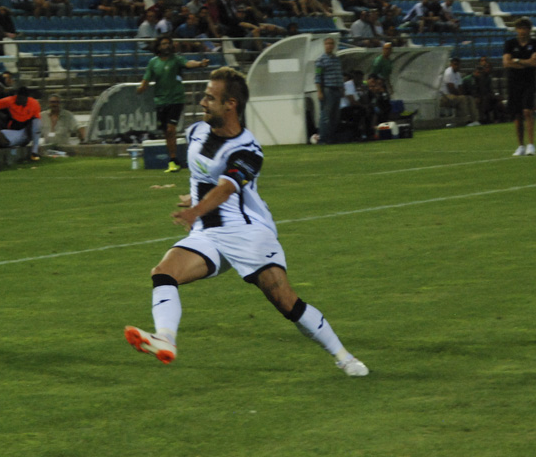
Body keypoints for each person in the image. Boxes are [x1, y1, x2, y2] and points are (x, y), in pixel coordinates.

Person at [124, 66, 369, 377]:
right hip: (207, 234)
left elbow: (227, 187)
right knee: (163, 272)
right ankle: (165, 340)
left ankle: (344, 357)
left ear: (231, 105)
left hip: (247, 233)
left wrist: (194, 210)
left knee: (285, 302)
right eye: (203, 96)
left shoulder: (248, 149)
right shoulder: (197, 132)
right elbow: (203, 178)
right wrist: (193, 199)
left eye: (210, 98)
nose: (202, 102)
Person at [137, 36, 209, 172]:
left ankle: (174, 159)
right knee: (166, 132)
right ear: (158, 47)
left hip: (176, 99)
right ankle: (173, 159)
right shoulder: (153, 63)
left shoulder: (176, 59)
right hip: (160, 101)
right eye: (163, 44)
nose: (166, 46)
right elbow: (146, 79)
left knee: (171, 128)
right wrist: (141, 88)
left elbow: (188, 63)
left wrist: (199, 64)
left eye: (168, 43)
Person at [503, 18, 536, 156]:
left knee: (527, 111)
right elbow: (506, 63)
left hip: (528, 82)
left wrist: (517, 60)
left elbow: (534, 63)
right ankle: (520, 145)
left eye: (525, 28)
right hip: (513, 82)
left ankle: (531, 144)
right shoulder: (510, 44)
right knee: (517, 115)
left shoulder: (535, 44)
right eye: (520, 28)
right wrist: (526, 62)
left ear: (529, 30)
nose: (522, 31)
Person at [0, 85, 42, 161]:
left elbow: (36, 123)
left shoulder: (34, 103)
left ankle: (34, 152)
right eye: (18, 98)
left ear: (26, 98)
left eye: (21, 99)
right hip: (15, 131)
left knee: (37, 122)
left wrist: (30, 133)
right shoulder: (10, 101)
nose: (19, 100)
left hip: (28, 131)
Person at [314, 37, 344, 144]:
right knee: (326, 116)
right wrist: (319, 91)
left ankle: (331, 138)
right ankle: (323, 138)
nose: (329, 46)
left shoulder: (336, 59)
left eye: (331, 44)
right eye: (327, 44)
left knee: (335, 116)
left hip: (337, 89)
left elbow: (339, 74)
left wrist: (342, 87)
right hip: (327, 89)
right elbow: (318, 77)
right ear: (324, 45)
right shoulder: (320, 60)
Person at [439, 57, 481, 126]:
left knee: (469, 98)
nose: (457, 66)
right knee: (462, 99)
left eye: (458, 65)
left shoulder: (457, 74)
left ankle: (475, 120)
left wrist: (463, 95)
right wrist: (461, 96)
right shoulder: (448, 72)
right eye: (455, 64)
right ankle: (462, 121)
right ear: (451, 64)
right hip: (444, 97)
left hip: (453, 96)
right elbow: (451, 88)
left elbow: (460, 87)